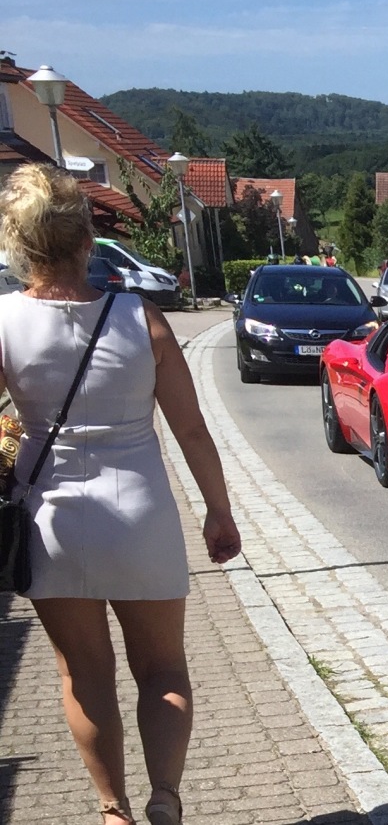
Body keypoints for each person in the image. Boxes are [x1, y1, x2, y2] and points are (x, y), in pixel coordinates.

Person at [0, 164, 242, 825]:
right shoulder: (144, 318)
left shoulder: (3, 321)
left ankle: (115, 811)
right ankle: (166, 797)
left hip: (49, 514)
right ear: (87, 241)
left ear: (19, 246)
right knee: (163, 668)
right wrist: (218, 513)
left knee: (83, 673)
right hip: (141, 514)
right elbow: (191, 430)